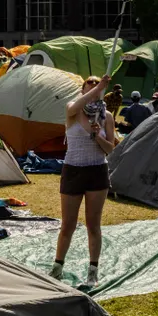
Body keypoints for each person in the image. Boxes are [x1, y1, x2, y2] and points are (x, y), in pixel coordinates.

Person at [51, 75, 117, 289]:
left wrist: (98, 136)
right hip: (73, 171)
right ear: (83, 88)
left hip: (97, 171)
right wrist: (97, 88)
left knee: (93, 225)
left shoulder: (106, 116)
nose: (93, 83)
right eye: (89, 81)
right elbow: (72, 109)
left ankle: (92, 271)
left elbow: (110, 149)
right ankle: (57, 267)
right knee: (67, 225)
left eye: (96, 82)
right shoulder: (74, 108)